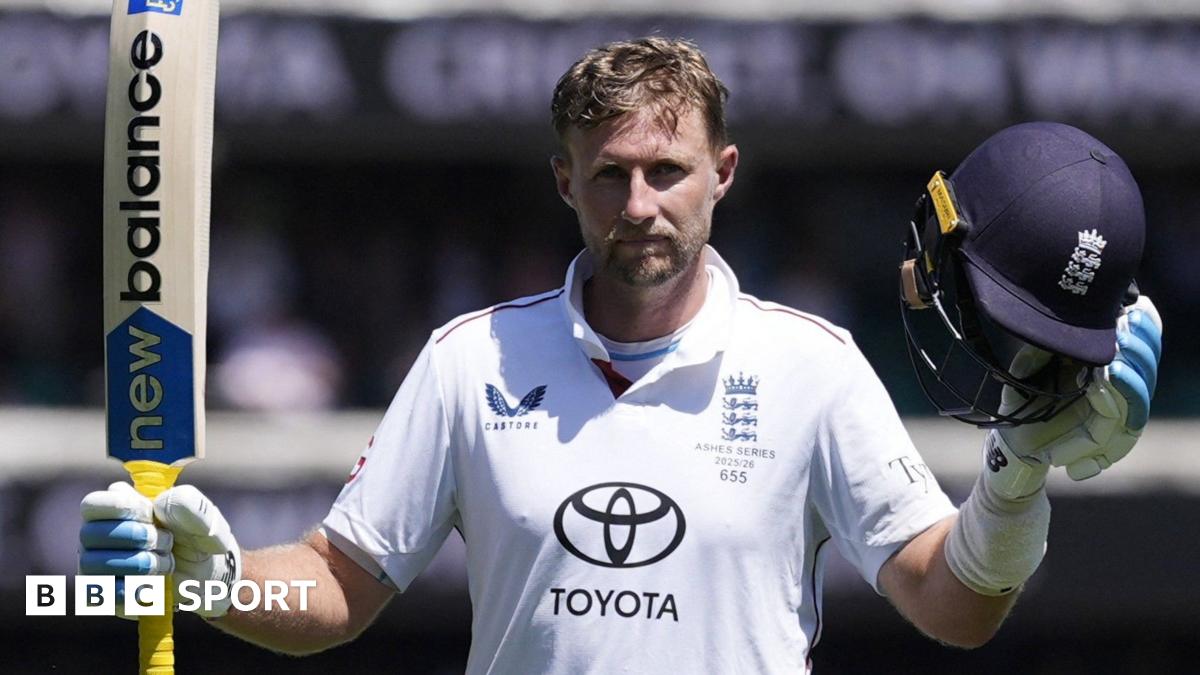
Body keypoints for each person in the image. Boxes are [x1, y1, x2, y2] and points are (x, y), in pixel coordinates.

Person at [79, 38, 1162, 673]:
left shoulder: (813, 368)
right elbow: (333, 588)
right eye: (610, 176)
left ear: (722, 173)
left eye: (668, 171)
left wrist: (1019, 471)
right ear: (564, 181)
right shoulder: (469, 361)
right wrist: (220, 588)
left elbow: (957, 606)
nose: (641, 204)